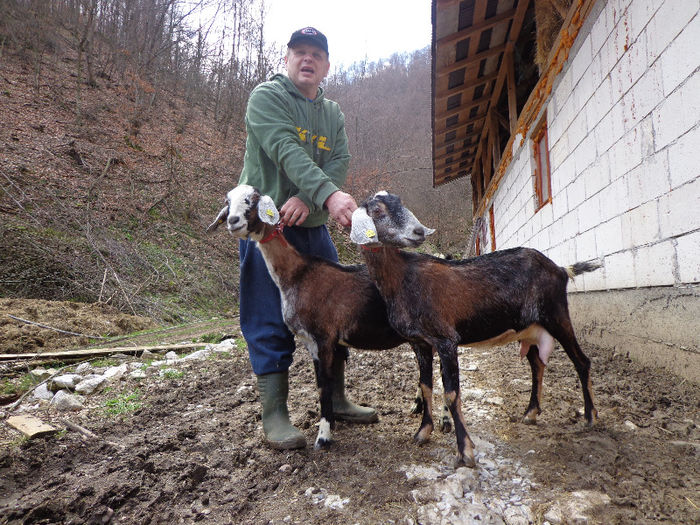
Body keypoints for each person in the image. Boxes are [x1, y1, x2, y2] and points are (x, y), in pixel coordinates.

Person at [237, 27, 377, 450]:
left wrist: (310, 196)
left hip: (313, 225)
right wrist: (329, 194)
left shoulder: (332, 113)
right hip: (268, 229)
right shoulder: (266, 98)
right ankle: (274, 414)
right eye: (299, 52)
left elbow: (339, 160)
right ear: (286, 59)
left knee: (337, 308)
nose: (307, 59)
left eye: (316, 54)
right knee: (268, 315)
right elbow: (284, 149)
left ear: (327, 66)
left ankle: (336, 399)